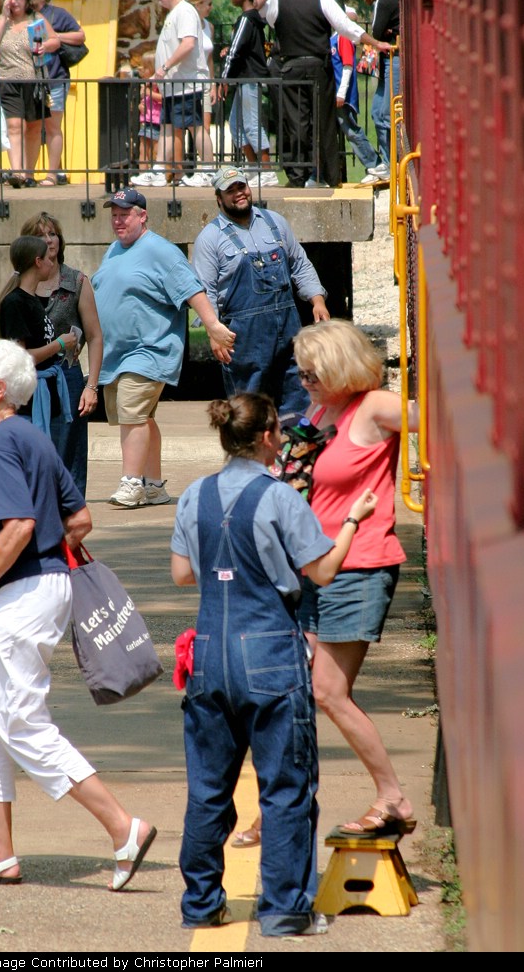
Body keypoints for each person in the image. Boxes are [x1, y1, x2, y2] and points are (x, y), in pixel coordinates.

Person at [0, 338, 156, 889]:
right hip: (31, 592)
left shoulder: (3, 440)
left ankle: (122, 826)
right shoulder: (29, 436)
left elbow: (19, 526)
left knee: (19, 721)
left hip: (18, 597)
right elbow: (77, 518)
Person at [171, 391, 378, 935]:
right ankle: (286, 910)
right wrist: (353, 521)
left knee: (208, 788)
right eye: (279, 432)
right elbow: (324, 571)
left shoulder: (194, 495)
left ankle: (201, 902)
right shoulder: (283, 499)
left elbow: (181, 574)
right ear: (266, 437)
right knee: (285, 786)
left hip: (210, 650)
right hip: (268, 651)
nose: (283, 439)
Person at [293, 319, 419, 835]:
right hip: (315, 566)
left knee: (328, 691)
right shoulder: (322, 408)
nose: (305, 380)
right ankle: (284, 800)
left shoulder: (373, 406)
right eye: (300, 373)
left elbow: (435, 419)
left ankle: (392, 798)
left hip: (359, 565)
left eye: (313, 371)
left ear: (342, 363)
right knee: (299, 688)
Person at [91, 187, 235, 507]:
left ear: (142, 216)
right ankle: (153, 485)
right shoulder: (114, 249)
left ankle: (131, 482)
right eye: (114, 215)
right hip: (117, 353)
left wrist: (212, 325)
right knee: (142, 417)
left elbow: (191, 289)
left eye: (124, 214)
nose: (118, 220)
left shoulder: (161, 250)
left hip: (149, 350)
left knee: (132, 413)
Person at [192, 165, 329, 415]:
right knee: (249, 410)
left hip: (289, 330)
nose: (238, 193)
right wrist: (213, 331)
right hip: (244, 339)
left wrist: (317, 300)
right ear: (219, 198)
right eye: (230, 190)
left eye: (241, 186)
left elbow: (299, 263)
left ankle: (295, 452)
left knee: (298, 399)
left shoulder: (275, 222)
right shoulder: (209, 238)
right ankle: (250, 453)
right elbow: (205, 290)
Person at [262, 0, 390, 188]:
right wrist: (375, 42)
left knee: (296, 122)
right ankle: (330, 176)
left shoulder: (277, 1)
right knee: (324, 121)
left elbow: (270, 20)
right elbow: (347, 28)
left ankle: (298, 176)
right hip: (318, 67)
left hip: (289, 68)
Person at [19, 211, 103, 494]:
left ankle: (70, 524)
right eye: (41, 235)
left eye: (52, 234)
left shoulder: (77, 281)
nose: (48, 240)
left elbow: (94, 336)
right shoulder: (16, 285)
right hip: (25, 380)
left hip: (66, 378)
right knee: (29, 458)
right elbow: (0, 336)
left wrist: (91, 387)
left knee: (68, 460)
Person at [130, 0, 213, 188]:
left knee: (195, 126)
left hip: (185, 83)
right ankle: (158, 171)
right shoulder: (176, 13)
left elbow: (188, 44)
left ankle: (208, 170)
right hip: (174, 85)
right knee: (166, 126)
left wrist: (164, 67)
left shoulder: (184, 11)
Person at [0, 235, 78, 435]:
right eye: (48, 258)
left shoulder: (33, 300)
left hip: (46, 394)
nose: (52, 262)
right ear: (37, 262)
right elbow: (21, 358)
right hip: (29, 403)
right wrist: (59, 344)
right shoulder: (15, 303)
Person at [0, 0, 59, 188]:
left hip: (33, 80)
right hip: (9, 80)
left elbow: (55, 40)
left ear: (27, 0)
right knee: (14, 126)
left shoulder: (36, 19)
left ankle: (29, 173)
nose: (13, 1)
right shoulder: (3, 21)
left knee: (33, 128)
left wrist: (46, 45)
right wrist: (3, 16)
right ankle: (16, 171)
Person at [220, 0, 278, 187]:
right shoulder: (250, 19)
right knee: (236, 125)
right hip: (244, 79)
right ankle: (254, 168)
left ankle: (267, 171)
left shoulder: (247, 18)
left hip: (250, 79)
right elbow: (239, 48)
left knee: (252, 125)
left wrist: (223, 80)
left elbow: (236, 51)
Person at [28, 0, 86, 186]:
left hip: (54, 78)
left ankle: (52, 173)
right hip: (30, 79)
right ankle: (28, 173)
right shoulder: (23, 16)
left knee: (53, 126)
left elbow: (80, 36)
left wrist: (55, 36)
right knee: (32, 127)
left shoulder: (58, 14)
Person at [355, 0, 400, 182]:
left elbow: (376, 32)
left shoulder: (385, 1)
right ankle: (387, 161)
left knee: (384, 113)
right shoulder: (384, 1)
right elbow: (382, 33)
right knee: (376, 111)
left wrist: (386, 33)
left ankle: (391, 163)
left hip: (394, 59)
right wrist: (387, 33)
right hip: (388, 60)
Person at [330, 30, 386, 184]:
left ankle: (374, 164)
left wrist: (341, 93)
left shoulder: (343, 36)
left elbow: (348, 65)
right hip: (335, 94)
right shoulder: (333, 37)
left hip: (343, 96)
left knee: (351, 131)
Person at [185, 0, 216, 158]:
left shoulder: (209, 27)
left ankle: (205, 167)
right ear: (197, 5)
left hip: (204, 81)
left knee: (203, 127)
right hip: (188, 80)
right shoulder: (186, 23)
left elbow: (209, 58)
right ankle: (176, 171)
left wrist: (213, 84)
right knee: (181, 128)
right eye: (208, 4)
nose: (211, 8)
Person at [137, 50, 162, 171]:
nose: (142, 69)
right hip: (146, 120)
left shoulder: (158, 84)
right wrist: (140, 106)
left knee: (156, 148)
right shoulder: (146, 84)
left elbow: (163, 99)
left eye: (145, 67)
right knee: (143, 148)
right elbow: (144, 101)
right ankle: (143, 173)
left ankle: (158, 172)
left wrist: (149, 93)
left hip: (157, 120)